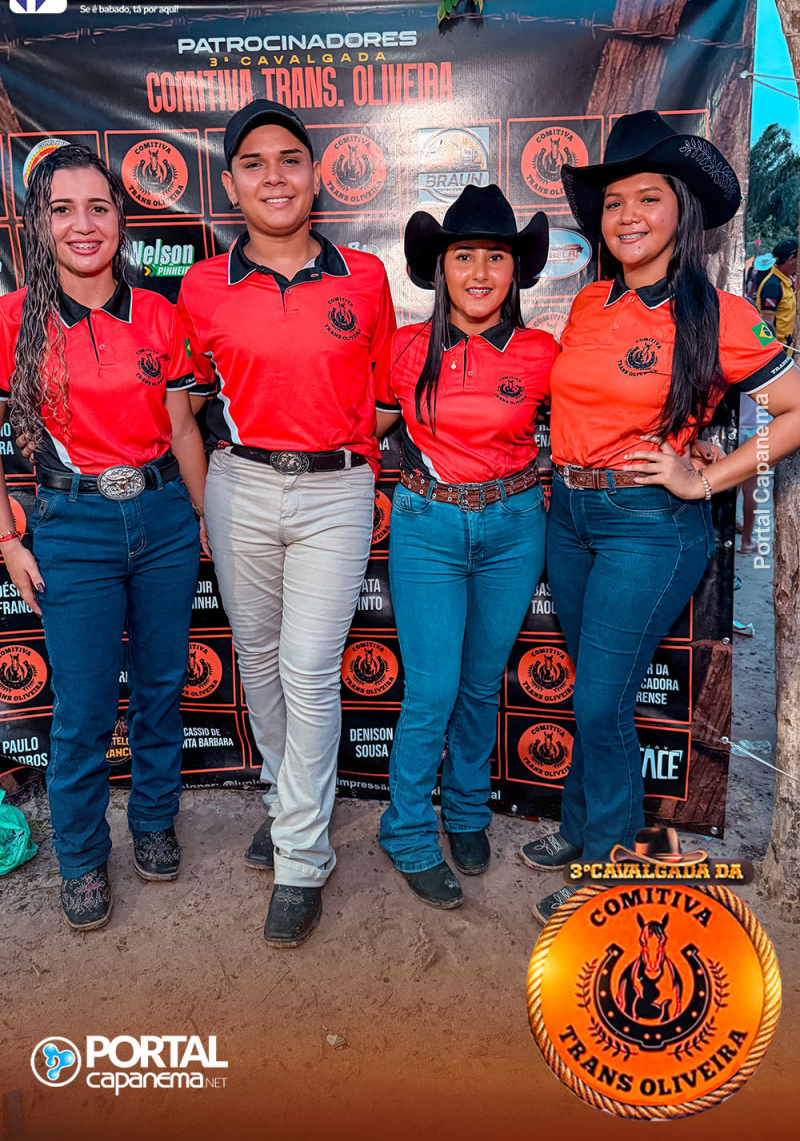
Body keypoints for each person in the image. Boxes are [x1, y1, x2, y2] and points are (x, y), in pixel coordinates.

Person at [519, 111, 800, 924]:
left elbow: (793, 410)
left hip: (648, 524)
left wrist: (706, 478)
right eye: (613, 203)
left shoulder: (720, 313)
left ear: (682, 209)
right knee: (593, 693)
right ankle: (583, 829)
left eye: (648, 198)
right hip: (570, 514)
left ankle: (610, 867)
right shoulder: (589, 302)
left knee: (599, 703)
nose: (628, 216)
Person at [178, 100, 396, 948]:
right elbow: (186, 406)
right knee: (261, 665)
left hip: (335, 493)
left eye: (290, 159)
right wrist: (211, 497)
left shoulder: (365, 277)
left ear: (315, 176)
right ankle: (288, 802)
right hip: (239, 484)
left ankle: (302, 856)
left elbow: (384, 395)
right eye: (254, 162)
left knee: (307, 671)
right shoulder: (203, 286)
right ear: (232, 185)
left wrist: (339, 448)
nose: (275, 175)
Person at [0, 143, 209, 930]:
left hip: (162, 517)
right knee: (84, 709)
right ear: (39, 223)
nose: (82, 225)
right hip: (72, 527)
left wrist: (203, 520)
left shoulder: (158, 313)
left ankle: (153, 821)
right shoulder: (13, 318)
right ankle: (84, 857)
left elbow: (183, 430)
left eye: (98, 207)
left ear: (121, 219)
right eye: (63, 209)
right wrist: (8, 541)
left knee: (160, 688)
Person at [376, 184, 554, 907]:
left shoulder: (542, 352)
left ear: (516, 270)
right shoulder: (404, 348)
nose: (480, 272)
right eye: (463, 256)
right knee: (433, 689)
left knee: (482, 683)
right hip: (429, 527)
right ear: (440, 267)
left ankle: (468, 809)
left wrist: (688, 442)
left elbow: (600, 421)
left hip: (515, 526)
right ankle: (408, 829)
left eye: (496, 257)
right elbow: (365, 426)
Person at [756, 238, 797, 356]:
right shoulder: (772, 285)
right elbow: (763, 325)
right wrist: (771, 355)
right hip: (779, 352)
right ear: (791, 259)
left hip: (788, 348)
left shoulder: (786, 281)